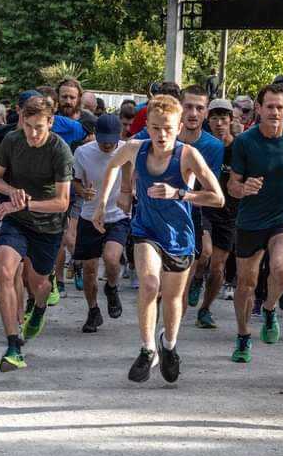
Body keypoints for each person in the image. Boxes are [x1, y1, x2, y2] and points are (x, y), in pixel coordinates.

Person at [93, 95, 224, 384]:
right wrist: (103, 204)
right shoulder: (135, 148)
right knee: (150, 284)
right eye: (155, 128)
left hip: (179, 236)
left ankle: (169, 345)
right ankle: (147, 348)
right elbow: (113, 165)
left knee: (173, 298)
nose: (161, 134)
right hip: (145, 230)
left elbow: (218, 197)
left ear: (178, 127)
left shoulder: (188, 155)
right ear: (147, 128)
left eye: (167, 128)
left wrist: (179, 193)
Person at [227, 84, 283, 364]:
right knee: (246, 282)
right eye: (269, 107)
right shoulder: (245, 142)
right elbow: (232, 186)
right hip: (252, 218)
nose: (275, 112)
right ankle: (243, 335)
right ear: (259, 109)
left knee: (281, 267)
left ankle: (269, 309)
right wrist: (244, 189)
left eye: (280, 107)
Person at [0, 96, 73, 371]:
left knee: (39, 285)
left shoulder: (59, 150)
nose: (33, 133)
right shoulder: (12, 141)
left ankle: (38, 309)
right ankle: (13, 346)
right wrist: (11, 193)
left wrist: (27, 203)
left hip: (48, 226)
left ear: (50, 123)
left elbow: (62, 202)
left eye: (39, 127)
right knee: (4, 268)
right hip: (17, 221)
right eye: (28, 126)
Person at [72, 113, 131, 332]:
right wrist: (82, 192)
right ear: (95, 135)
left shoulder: (128, 150)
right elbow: (76, 182)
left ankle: (112, 288)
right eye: (102, 139)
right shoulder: (83, 152)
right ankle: (93, 310)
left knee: (112, 258)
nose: (107, 144)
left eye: (111, 139)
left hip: (118, 215)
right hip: (89, 215)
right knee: (89, 269)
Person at [195, 98, 239, 329]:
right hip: (204, 208)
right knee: (204, 253)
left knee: (218, 267)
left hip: (229, 213)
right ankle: (195, 278)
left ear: (232, 120)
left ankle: (205, 309)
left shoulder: (239, 148)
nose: (219, 123)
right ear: (207, 120)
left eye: (224, 118)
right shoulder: (203, 145)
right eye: (214, 118)